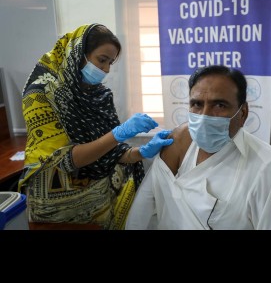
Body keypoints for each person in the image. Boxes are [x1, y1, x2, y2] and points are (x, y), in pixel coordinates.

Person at [18, 23, 173, 230]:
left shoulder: (98, 95)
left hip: (99, 203)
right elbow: (67, 160)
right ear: (79, 53)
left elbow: (110, 152)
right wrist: (118, 134)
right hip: (57, 209)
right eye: (102, 60)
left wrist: (141, 152)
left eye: (110, 63)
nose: (106, 69)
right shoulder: (42, 94)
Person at [125, 65, 271, 230]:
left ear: (243, 113)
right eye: (197, 104)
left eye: (220, 105)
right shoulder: (180, 140)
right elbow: (146, 200)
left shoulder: (269, 169)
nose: (204, 116)